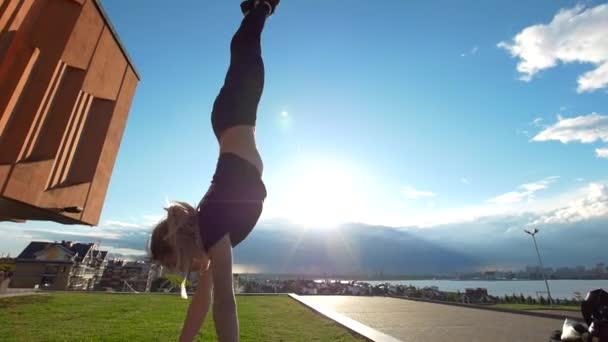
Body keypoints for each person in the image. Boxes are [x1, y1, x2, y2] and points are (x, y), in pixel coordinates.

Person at [148, 0, 279, 341]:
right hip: (227, 122)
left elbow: (224, 303)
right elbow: (201, 303)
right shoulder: (208, 239)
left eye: (179, 264)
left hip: (235, 114)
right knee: (243, 55)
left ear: (183, 245)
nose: (185, 271)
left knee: (245, 52)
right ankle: (257, 10)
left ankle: (261, 7)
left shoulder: (213, 228)